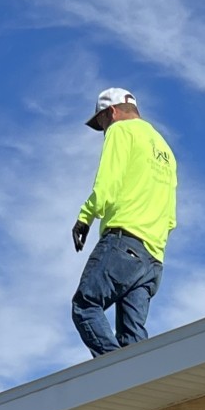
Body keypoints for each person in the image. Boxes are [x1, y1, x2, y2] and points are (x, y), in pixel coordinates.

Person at [70, 87, 177, 357]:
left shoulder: (121, 131)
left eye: (101, 122)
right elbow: (171, 217)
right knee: (133, 337)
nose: (103, 129)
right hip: (153, 257)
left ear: (112, 111)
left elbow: (108, 181)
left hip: (124, 241)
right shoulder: (164, 148)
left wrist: (85, 218)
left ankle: (114, 371)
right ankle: (140, 388)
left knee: (85, 305)